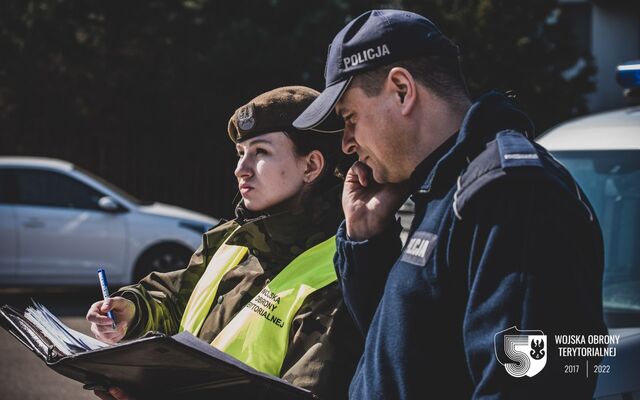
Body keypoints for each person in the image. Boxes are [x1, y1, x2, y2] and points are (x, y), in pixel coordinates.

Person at [293, 10, 607, 399]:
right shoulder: (447, 188)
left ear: (402, 90)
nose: (346, 143)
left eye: (350, 117)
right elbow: (415, 357)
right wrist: (367, 238)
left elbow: (527, 386)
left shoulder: (512, 193)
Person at [86, 86, 361, 400]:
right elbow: (176, 299)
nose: (240, 169)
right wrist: (131, 311)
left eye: (261, 152)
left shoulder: (339, 272)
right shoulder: (232, 236)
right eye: (241, 153)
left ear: (311, 166)